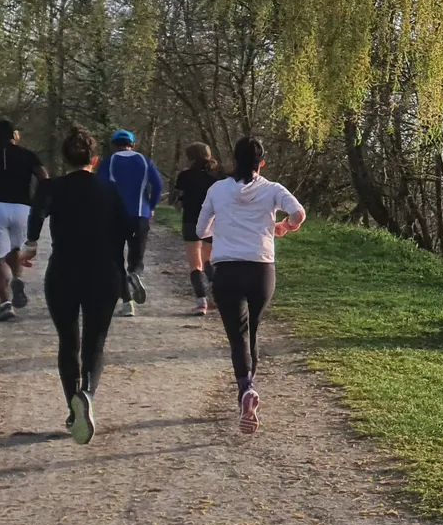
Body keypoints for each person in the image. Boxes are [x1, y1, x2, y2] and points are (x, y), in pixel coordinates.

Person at [20, 126, 131, 445]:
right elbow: (128, 228)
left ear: (64, 158)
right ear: (95, 160)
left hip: (64, 272)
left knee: (68, 342)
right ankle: (87, 396)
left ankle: (73, 407)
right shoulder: (110, 190)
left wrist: (30, 245)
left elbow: (37, 213)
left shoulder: (52, 186)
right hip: (104, 273)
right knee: (95, 342)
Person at [195, 137, 305, 435]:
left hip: (228, 270)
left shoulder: (218, 189)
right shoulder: (273, 189)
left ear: (234, 160)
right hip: (261, 270)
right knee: (252, 330)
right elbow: (298, 213)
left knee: (237, 335)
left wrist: (222, 227)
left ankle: (246, 389)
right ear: (262, 163)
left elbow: (200, 229)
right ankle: (248, 389)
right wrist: (284, 226)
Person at [0, 120, 48, 322]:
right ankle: (17, 279)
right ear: (15, 134)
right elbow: (44, 177)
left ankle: (5, 303)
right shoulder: (28, 155)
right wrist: (38, 197)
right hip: (23, 208)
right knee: (15, 250)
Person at [95, 129, 163, 316]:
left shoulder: (109, 162)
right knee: (136, 256)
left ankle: (127, 303)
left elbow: (98, 187)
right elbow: (158, 185)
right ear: (132, 144)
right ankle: (135, 274)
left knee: (115, 259)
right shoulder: (144, 161)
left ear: (114, 144)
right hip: (140, 215)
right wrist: (152, 205)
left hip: (114, 217)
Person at [174, 143, 224, 315]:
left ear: (189, 157)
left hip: (191, 221)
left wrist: (180, 202)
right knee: (210, 259)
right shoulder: (218, 176)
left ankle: (201, 302)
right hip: (214, 221)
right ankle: (219, 297)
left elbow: (179, 202)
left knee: (195, 263)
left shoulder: (184, 176)